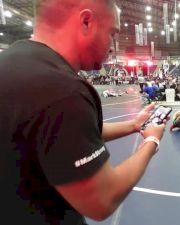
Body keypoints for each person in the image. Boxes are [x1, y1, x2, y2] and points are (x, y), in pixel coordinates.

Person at [0, 1, 167, 224]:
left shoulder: (14, 62)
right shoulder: (61, 89)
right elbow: (102, 199)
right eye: (112, 34)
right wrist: (152, 141)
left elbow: (60, 139)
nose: (113, 47)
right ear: (87, 22)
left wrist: (133, 125)